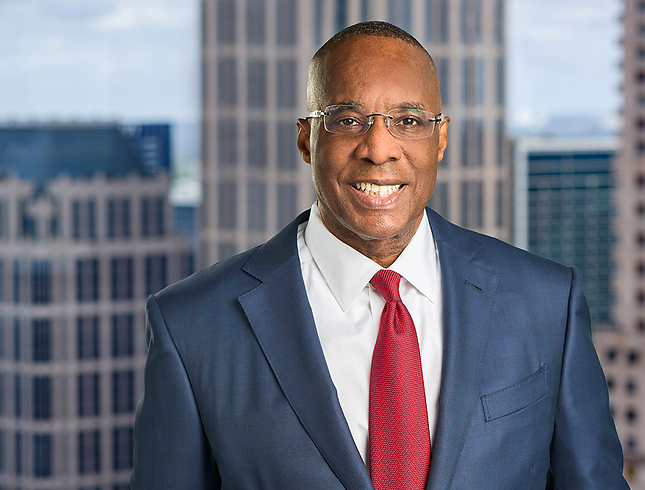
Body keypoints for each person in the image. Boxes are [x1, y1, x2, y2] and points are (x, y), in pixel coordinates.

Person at [131, 21, 629, 489]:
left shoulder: (548, 303)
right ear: (306, 139)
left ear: (440, 138)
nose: (378, 148)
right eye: (348, 120)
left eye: (408, 121)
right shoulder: (191, 326)